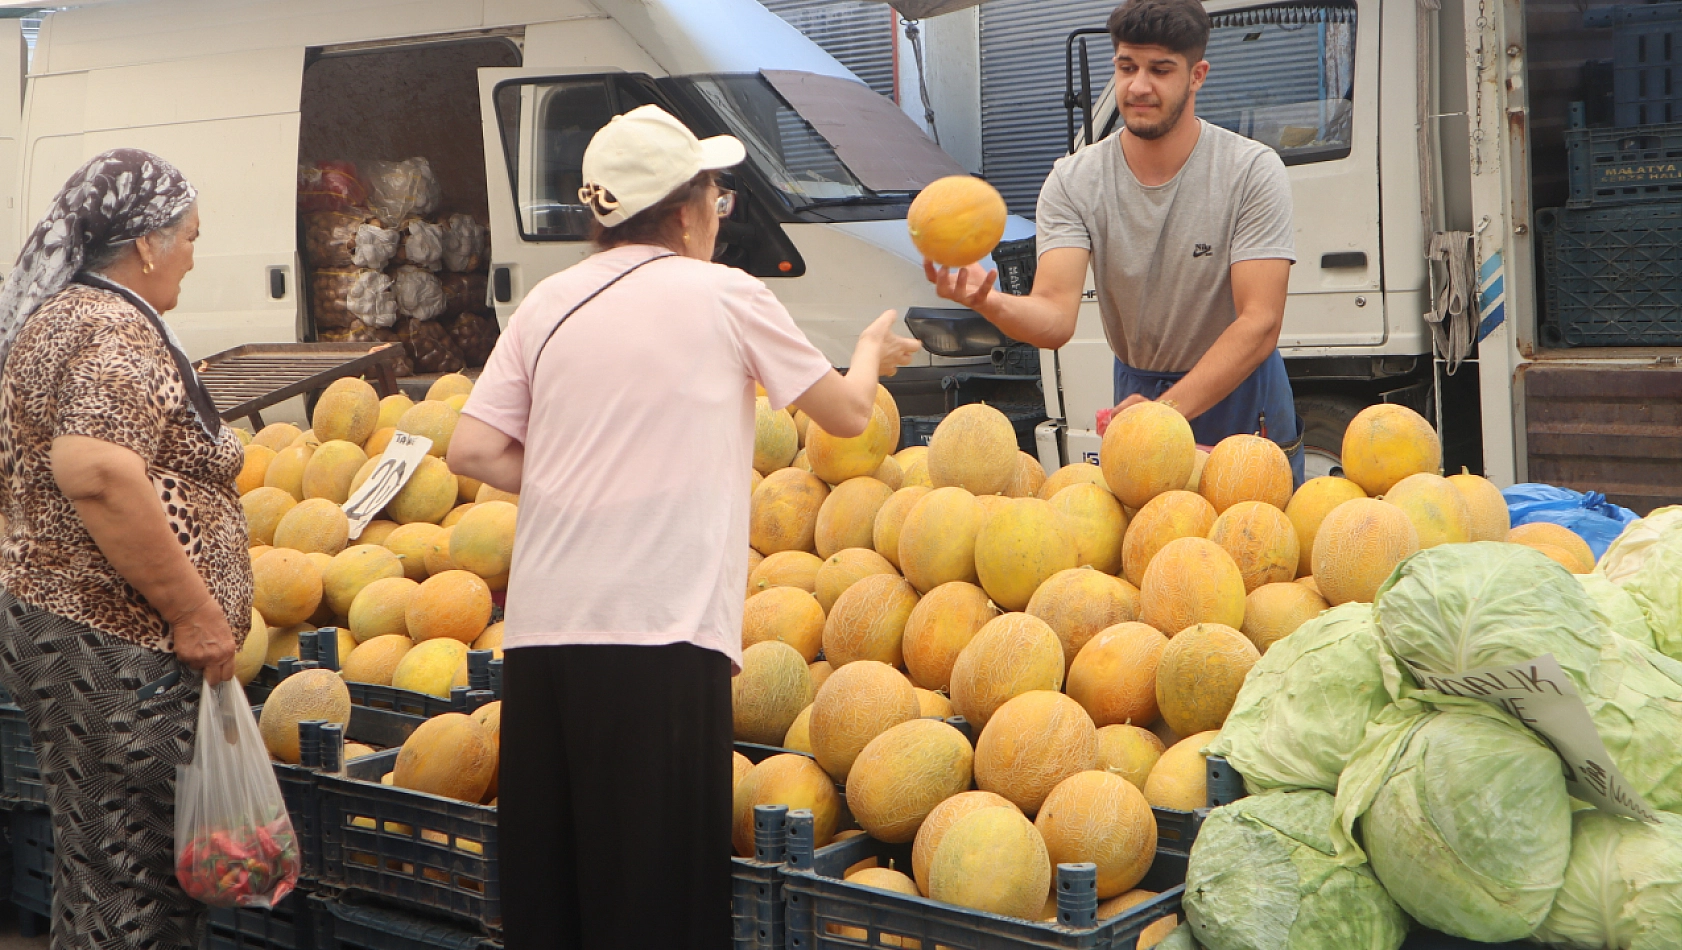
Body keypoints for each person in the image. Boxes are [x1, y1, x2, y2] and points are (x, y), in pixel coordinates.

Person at [447, 105, 920, 950]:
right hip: (662, 637)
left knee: (552, 903)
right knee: (657, 904)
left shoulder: (549, 301)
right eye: (717, 193)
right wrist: (873, 347)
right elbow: (848, 413)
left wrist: (571, 483)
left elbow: (474, 448)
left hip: (543, 641)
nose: (717, 210)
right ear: (684, 207)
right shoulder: (727, 295)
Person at [0, 149, 248, 949]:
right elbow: (96, 468)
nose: (192, 257)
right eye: (190, 238)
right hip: (119, 646)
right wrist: (195, 612)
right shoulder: (109, 326)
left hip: (70, 631)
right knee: (135, 883)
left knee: (104, 871)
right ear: (146, 244)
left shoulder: (61, 315)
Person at [929, 0, 1303, 482]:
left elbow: (1259, 322)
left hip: (1240, 395)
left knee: (1256, 548)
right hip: (1139, 388)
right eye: (1127, 67)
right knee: (1149, 551)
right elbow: (1054, 315)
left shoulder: (1250, 170)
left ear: (1197, 75)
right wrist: (991, 302)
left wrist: (1161, 415)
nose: (1139, 85)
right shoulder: (1073, 179)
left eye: (1160, 69)